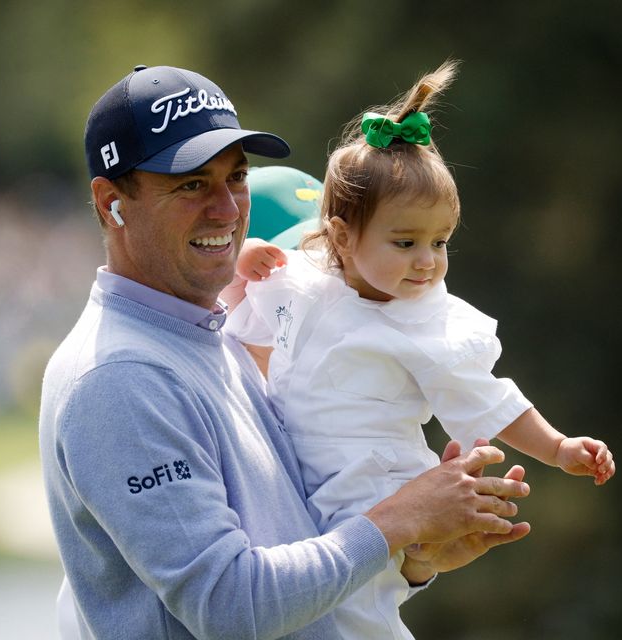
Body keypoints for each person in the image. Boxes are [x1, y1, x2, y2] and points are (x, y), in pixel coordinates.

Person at [39, 64, 533, 640]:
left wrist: (417, 556)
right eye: (191, 183)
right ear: (110, 202)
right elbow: (230, 606)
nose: (226, 208)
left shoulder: (210, 338)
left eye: (238, 177)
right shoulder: (121, 379)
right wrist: (398, 519)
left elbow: (299, 555)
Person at [225, 60, 616, 640]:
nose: (427, 261)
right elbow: (235, 324)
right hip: (299, 470)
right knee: (305, 593)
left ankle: (397, 590)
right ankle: (401, 575)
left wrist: (557, 447)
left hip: (371, 478)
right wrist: (243, 257)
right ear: (339, 237)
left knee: (355, 612)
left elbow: (491, 398)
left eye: (440, 242)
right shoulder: (304, 279)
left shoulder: (427, 322)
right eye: (405, 242)